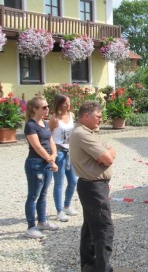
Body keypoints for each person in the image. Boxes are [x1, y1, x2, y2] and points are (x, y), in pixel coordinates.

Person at [69, 100, 116, 272]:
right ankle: (102, 268)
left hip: (92, 186)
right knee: (104, 228)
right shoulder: (83, 134)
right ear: (86, 115)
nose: (101, 119)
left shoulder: (87, 132)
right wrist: (108, 153)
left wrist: (107, 152)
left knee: (90, 227)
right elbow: (108, 157)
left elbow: (108, 151)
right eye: (98, 116)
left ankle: (89, 265)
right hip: (94, 187)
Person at [23, 96, 60, 239]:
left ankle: (42, 221)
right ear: (34, 109)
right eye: (44, 107)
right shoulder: (30, 125)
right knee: (33, 195)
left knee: (43, 194)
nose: (47, 109)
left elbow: (50, 141)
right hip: (36, 163)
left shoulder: (44, 123)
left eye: (47, 106)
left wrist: (54, 155)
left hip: (46, 163)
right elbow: (37, 146)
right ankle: (31, 227)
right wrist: (50, 159)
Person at [49, 94, 78, 222]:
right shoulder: (54, 119)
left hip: (70, 151)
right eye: (66, 103)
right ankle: (59, 211)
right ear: (60, 104)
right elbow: (48, 136)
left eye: (69, 103)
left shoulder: (71, 115)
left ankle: (67, 205)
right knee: (59, 183)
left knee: (73, 181)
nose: (68, 105)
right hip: (59, 152)